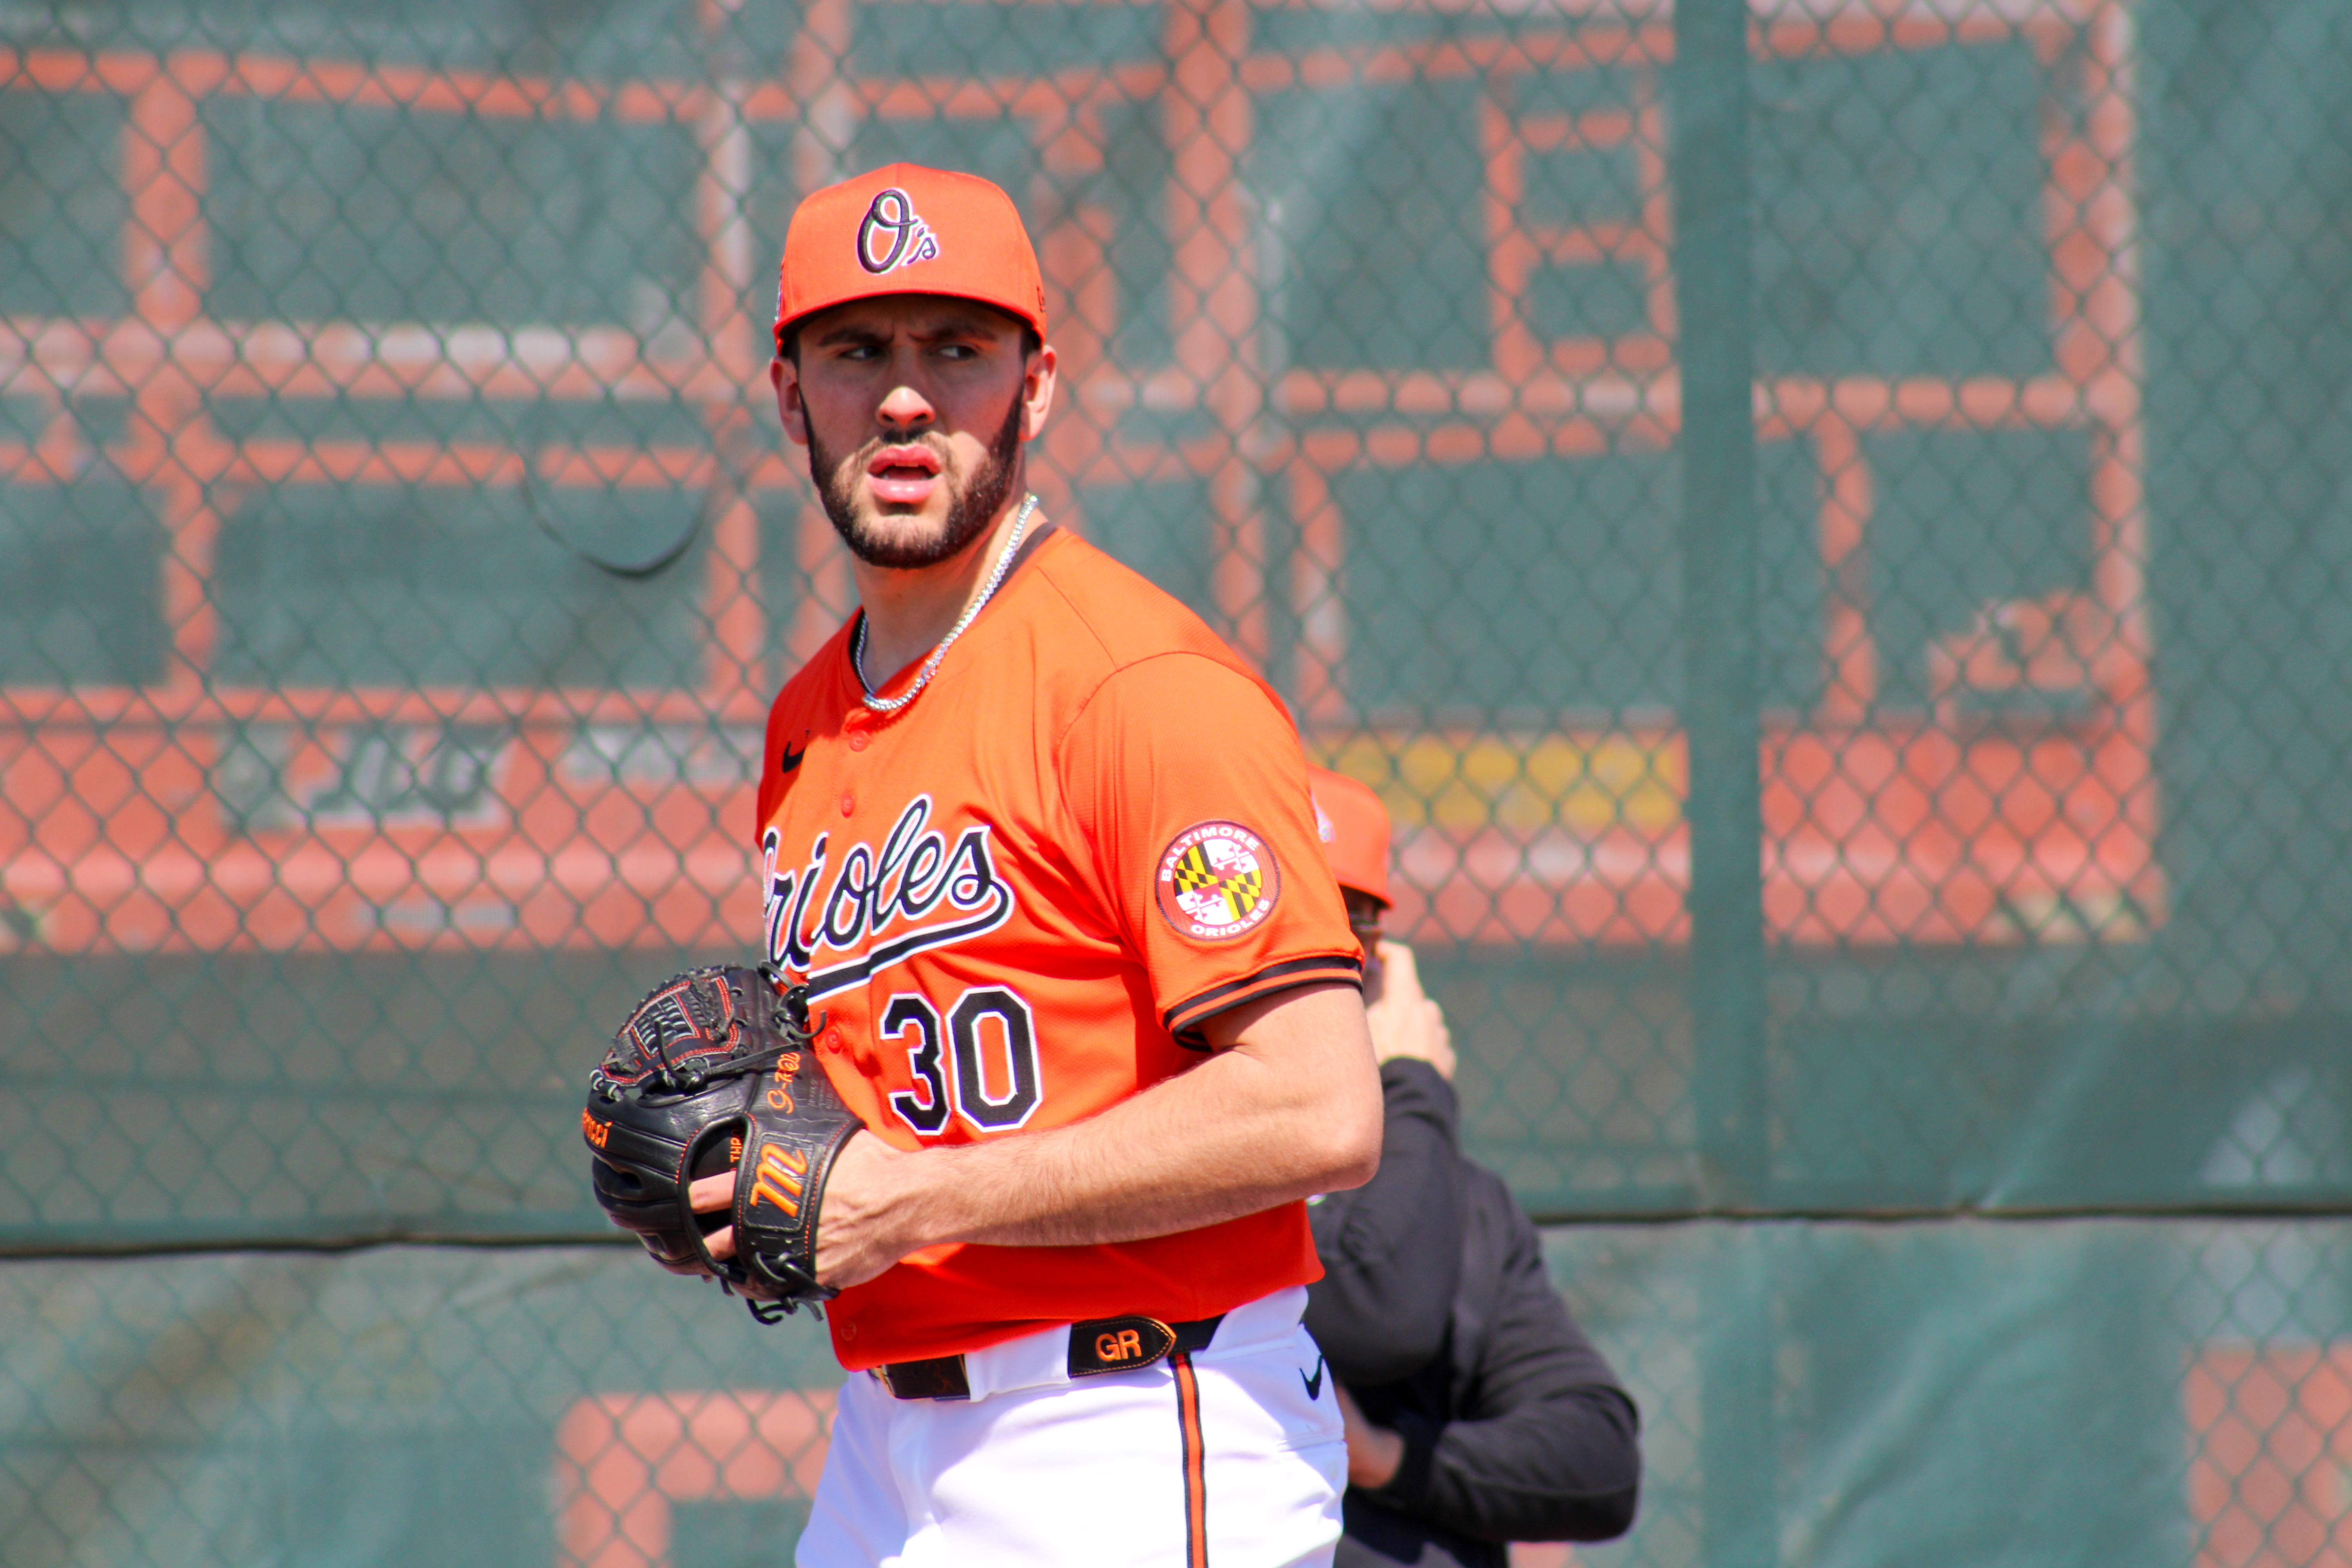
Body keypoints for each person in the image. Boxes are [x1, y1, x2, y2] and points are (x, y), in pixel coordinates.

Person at [681, 163, 1383, 1568]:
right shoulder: (804, 720)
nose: (903, 396)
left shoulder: (1137, 684)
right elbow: (892, 1118)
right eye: (856, 350)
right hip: (887, 1434)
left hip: (1130, 1415)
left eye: (957, 349)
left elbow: (1318, 1109)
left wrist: (915, 1200)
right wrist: (753, 1178)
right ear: (787, 396)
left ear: (1037, 387)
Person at [1302, 769, 1643, 1568]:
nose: (1313, 967)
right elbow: (1377, 1307)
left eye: (1348, 933)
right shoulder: (1179, 1173)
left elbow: (1598, 1459)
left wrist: (1389, 1456)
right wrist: (1413, 1084)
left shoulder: (1456, 1196)